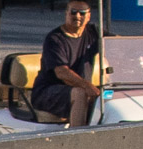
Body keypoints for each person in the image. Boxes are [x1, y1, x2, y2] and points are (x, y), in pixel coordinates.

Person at [31, 0, 101, 129]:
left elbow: (115, 44)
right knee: (81, 93)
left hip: (75, 88)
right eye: (73, 12)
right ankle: (77, 136)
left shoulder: (94, 32)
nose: (77, 16)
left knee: (110, 94)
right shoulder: (55, 39)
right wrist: (88, 86)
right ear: (66, 14)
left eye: (82, 13)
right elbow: (62, 72)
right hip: (47, 92)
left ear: (89, 16)